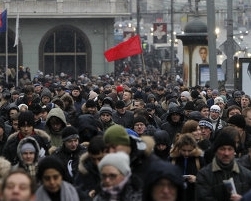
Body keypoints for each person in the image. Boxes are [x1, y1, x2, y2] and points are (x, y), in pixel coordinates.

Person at [196, 126, 251, 201]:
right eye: (222, 149)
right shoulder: (204, 175)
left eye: (230, 149)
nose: (226, 153)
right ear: (216, 151)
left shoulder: (246, 174)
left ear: (234, 151)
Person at [169, 133, 205, 201]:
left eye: (189, 151)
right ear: (179, 148)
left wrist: (196, 179)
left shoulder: (199, 159)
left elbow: (206, 179)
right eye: (184, 150)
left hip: (193, 195)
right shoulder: (172, 159)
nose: (186, 153)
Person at [74, 135, 106, 201]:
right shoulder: (84, 170)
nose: (97, 163)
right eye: (93, 159)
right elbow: (76, 191)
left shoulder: (117, 170)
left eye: (100, 159)